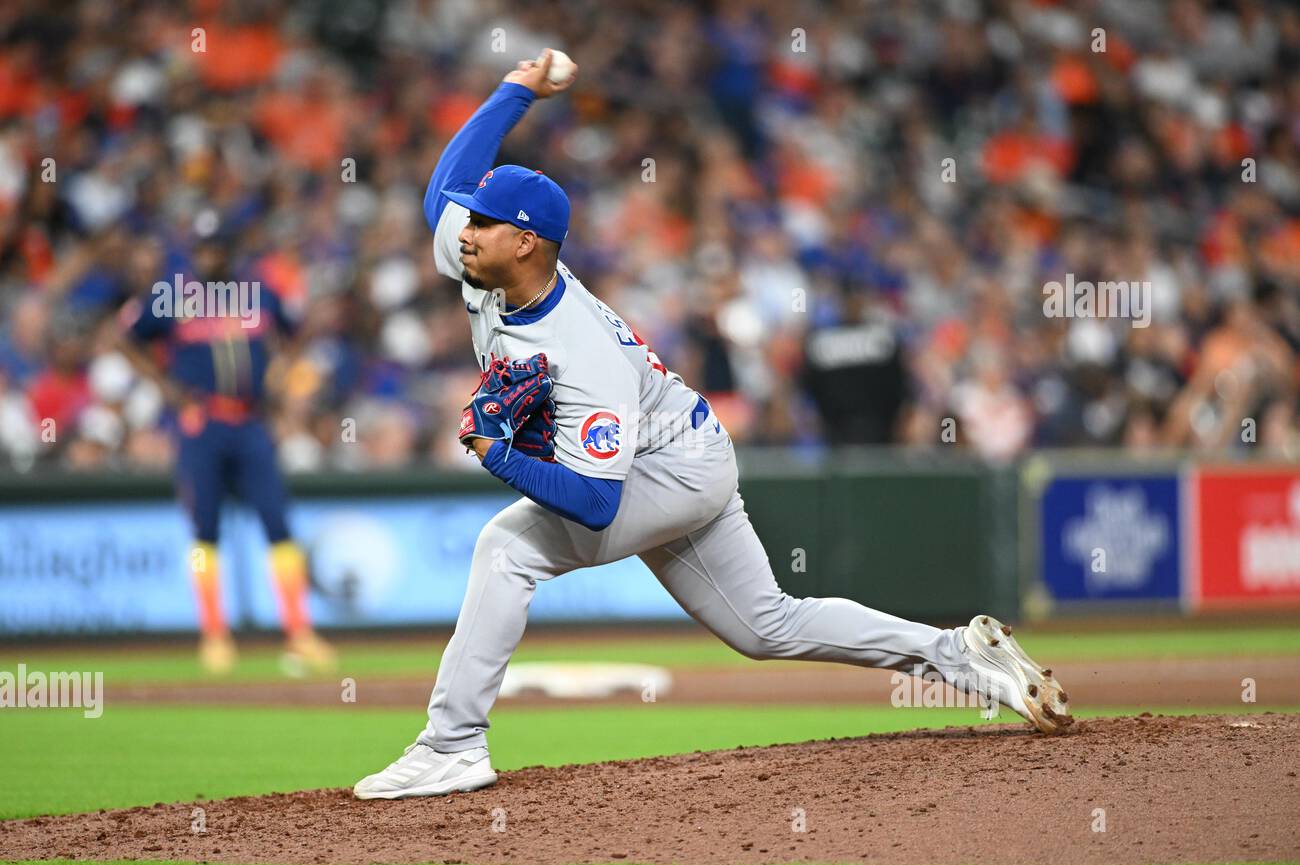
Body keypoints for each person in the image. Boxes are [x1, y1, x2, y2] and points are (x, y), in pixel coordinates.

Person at [353, 52, 1070, 799]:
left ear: (527, 242)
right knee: (767, 627)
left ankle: (454, 745)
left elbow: (597, 504)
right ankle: (960, 655)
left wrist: (497, 454)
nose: (465, 229)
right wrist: (515, 91)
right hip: (683, 451)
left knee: (506, 549)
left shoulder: (577, 350)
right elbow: (443, 189)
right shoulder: (482, 258)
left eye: (488, 223)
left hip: (669, 468)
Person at [117, 231, 336, 677]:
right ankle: (214, 634)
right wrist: (165, 387)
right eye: (203, 249)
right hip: (203, 422)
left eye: (217, 248)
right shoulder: (173, 294)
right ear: (193, 252)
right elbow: (127, 337)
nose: (210, 256)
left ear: (229, 252)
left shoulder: (258, 292)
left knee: (278, 524)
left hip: (252, 421)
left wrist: (278, 372)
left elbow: (295, 331)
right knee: (205, 530)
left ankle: (300, 631)